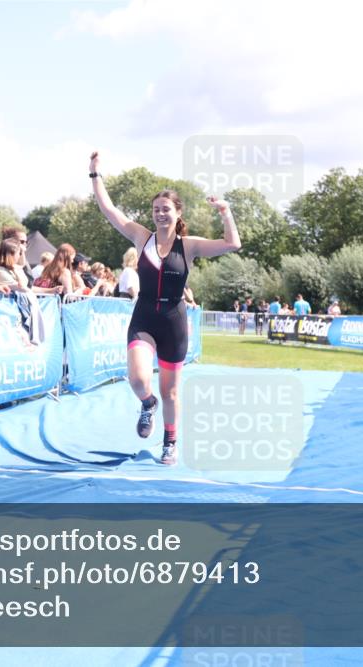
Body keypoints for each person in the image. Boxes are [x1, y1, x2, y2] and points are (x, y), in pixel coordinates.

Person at [90, 150, 240, 465]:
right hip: (144, 317)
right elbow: (109, 210)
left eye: (166, 209)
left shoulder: (189, 245)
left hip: (173, 322)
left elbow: (232, 244)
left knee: (171, 392)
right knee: (138, 380)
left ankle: (170, 441)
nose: (160, 214)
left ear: (177, 212)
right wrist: (95, 175)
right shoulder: (140, 237)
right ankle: (147, 404)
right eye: (156, 209)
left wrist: (226, 213)